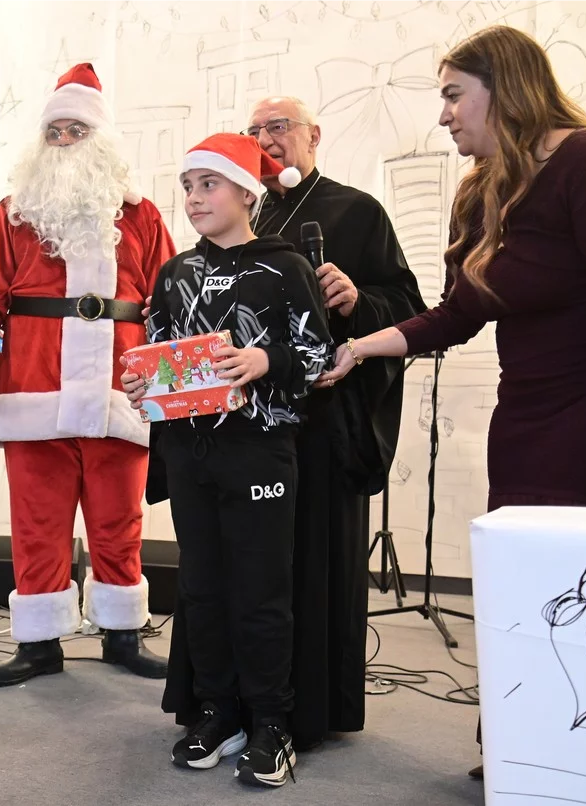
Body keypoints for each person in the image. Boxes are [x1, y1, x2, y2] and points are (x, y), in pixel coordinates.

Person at [320, 25, 586, 779]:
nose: (445, 114)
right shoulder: (482, 189)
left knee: (585, 578)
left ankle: (584, 756)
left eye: (455, 95)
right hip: (529, 400)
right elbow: (456, 314)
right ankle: (524, 742)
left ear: (505, 88)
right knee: (525, 573)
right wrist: (360, 346)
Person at [158, 95, 427, 750]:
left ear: (313, 135)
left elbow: (410, 309)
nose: (266, 138)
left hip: (309, 428)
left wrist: (357, 301)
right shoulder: (202, 247)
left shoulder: (356, 211)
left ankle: (288, 718)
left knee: (274, 584)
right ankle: (218, 706)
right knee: (212, 578)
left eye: (278, 127)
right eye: (255, 130)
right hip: (213, 440)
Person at [0, 63, 175, 688]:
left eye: (76, 130)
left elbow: (173, 302)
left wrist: (174, 379)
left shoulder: (141, 216)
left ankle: (121, 634)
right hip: (33, 393)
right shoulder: (13, 215)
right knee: (38, 524)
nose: (64, 142)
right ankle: (38, 643)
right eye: (55, 132)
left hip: (121, 394)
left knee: (119, 523)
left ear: (101, 141)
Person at [125, 133, 331, 788]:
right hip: (191, 451)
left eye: (208, 185)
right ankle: (217, 712)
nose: (193, 198)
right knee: (202, 588)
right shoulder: (175, 272)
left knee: (261, 592)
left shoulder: (286, 267)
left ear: (246, 191)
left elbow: (321, 356)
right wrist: (143, 385)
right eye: (187, 186)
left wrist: (265, 359)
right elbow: (159, 353)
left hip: (260, 451)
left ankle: (272, 722)